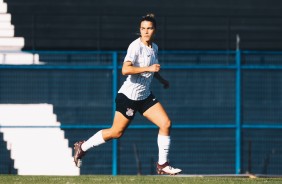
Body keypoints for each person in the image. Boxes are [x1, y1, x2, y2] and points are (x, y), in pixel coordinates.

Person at [73, 13, 182, 175]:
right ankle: (82, 146)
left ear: (155, 30)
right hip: (129, 97)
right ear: (140, 30)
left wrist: (162, 80)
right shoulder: (135, 46)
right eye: (143, 28)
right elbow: (125, 69)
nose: (146, 32)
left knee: (165, 123)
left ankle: (162, 164)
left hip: (144, 96)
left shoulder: (155, 48)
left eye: (149, 28)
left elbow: (152, 69)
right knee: (116, 132)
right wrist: (149, 69)